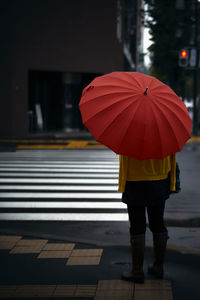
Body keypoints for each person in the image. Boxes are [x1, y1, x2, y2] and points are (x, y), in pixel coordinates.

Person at [118, 154, 176, 283]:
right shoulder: (164, 133)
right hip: (159, 177)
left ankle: (137, 271)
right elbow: (172, 154)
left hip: (134, 178)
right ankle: (159, 267)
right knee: (157, 223)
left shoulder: (130, 133)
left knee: (137, 225)